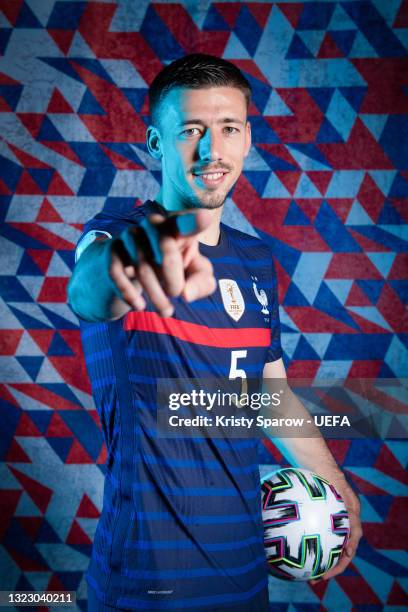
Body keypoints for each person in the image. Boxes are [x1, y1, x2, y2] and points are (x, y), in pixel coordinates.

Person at [68, 54, 362, 612]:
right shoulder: (115, 236)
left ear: (247, 138)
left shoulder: (256, 259)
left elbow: (269, 396)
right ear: (156, 143)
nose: (211, 150)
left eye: (228, 129)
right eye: (191, 131)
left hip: (247, 579)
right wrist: (133, 262)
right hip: (144, 583)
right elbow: (88, 290)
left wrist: (332, 481)